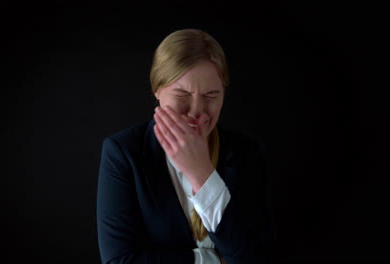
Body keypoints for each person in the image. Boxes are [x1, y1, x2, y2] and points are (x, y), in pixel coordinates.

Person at [97, 28, 274, 263]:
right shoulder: (123, 153)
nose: (196, 111)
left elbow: (257, 258)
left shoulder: (247, 152)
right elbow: (118, 260)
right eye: (182, 94)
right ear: (157, 90)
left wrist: (201, 173)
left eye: (211, 96)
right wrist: (208, 260)